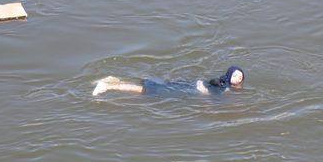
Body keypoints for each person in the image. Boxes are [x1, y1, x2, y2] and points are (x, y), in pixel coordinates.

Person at [92, 66, 245, 96]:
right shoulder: (222, 84)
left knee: (154, 84)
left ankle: (115, 80)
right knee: (146, 90)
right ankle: (108, 86)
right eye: (235, 75)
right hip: (189, 89)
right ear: (228, 75)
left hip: (189, 87)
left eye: (240, 77)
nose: (238, 78)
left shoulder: (227, 87)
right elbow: (214, 83)